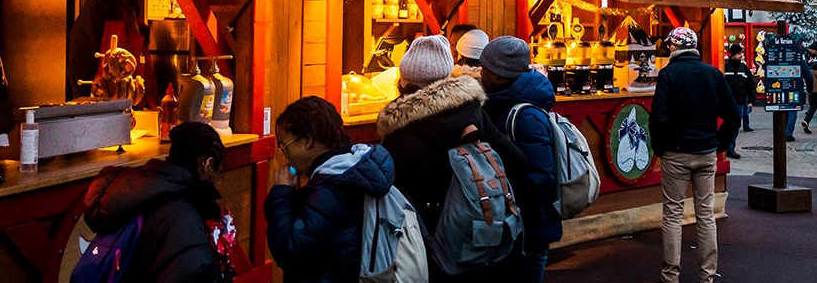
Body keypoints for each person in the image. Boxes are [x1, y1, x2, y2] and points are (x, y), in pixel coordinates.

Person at [375, 35, 526, 281]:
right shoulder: (473, 112)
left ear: (403, 81)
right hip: (479, 233)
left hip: (429, 244)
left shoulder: (396, 133)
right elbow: (518, 162)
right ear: (446, 75)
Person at [82, 122, 234, 283]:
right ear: (207, 164)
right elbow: (192, 273)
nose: (217, 181)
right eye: (218, 173)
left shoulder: (141, 190)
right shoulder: (182, 211)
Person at [265, 96, 395, 283]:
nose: (285, 155)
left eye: (285, 147)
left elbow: (290, 249)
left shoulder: (331, 190)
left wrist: (282, 193)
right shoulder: (354, 168)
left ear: (307, 141)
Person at [650, 26, 740, 283]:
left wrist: (660, 148)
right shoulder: (713, 73)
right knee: (706, 215)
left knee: (673, 215)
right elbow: (733, 115)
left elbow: (658, 118)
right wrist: (719, 143)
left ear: (672, 47)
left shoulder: (668, 75)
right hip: (706, 151)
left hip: (676, 152)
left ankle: (670, 276)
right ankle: (707, 276)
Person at [479, 36, 560, 283]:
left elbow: (542, 178)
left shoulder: (525, 117)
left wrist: (505, 198)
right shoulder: (498, 101)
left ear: (500, 74)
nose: (480, 72)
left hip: (529, 226)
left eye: (485, 68)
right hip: (514, 224)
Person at [67, 0, 157, 105]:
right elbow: (79, 59)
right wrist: (85, 102)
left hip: (128, 99)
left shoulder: (131, 10)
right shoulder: (97, 8)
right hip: (101, 100)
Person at [723, 44, 755, 157]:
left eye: (741, 53)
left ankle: (730, 148)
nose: (741, 55)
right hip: (727, 101)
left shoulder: (744, 68)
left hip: (740, 101)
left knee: (736, 124)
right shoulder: (725, 67)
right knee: (728, 124)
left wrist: (751, 99)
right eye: (738, 53)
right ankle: (726, 147)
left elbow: (751, 84)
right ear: (733, 54)